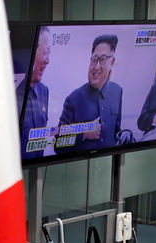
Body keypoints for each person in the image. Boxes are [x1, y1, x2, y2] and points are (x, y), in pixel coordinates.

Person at [58, 34, 123, 152]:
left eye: (102, 59)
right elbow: (58, 143)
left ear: (112, 62)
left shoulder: (117, 91)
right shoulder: (73, 99)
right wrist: (83, 134)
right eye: (94, 60)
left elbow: (116, 130)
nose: (96, 67)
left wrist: (123, 136)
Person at [21, 27, 51, 159]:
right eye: (45, 52)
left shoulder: (44, 91)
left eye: (50, 52)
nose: (48, 60)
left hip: (35, 169)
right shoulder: (10, 94)